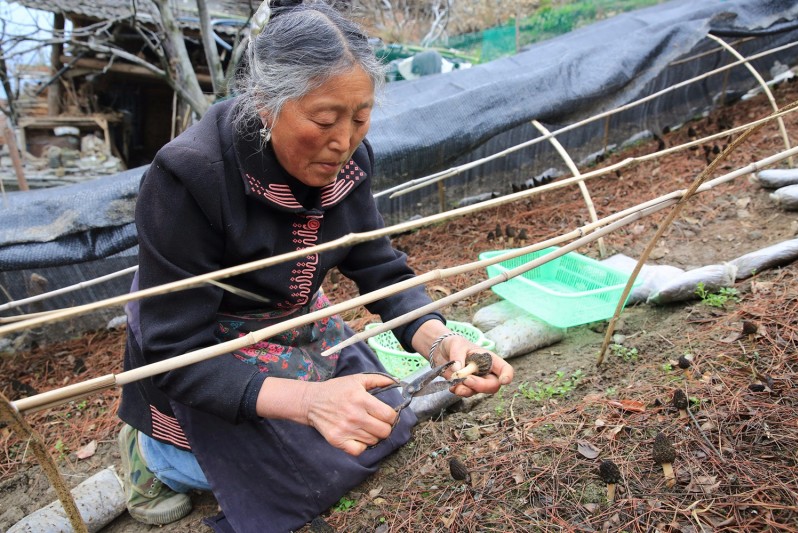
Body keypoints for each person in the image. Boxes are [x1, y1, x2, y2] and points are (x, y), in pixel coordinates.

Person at [117, 1, 514, 531]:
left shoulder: (350, 160)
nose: (343, 140)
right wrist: (308, 402)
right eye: (325, 119)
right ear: (264, 102)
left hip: (296, 314)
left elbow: (380, 267)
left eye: (360, 116)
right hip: (205, 342)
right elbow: (173, 348)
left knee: (380, 427)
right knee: (283, 469)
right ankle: (152, 452)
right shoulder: (188, 178)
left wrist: (440, 341)